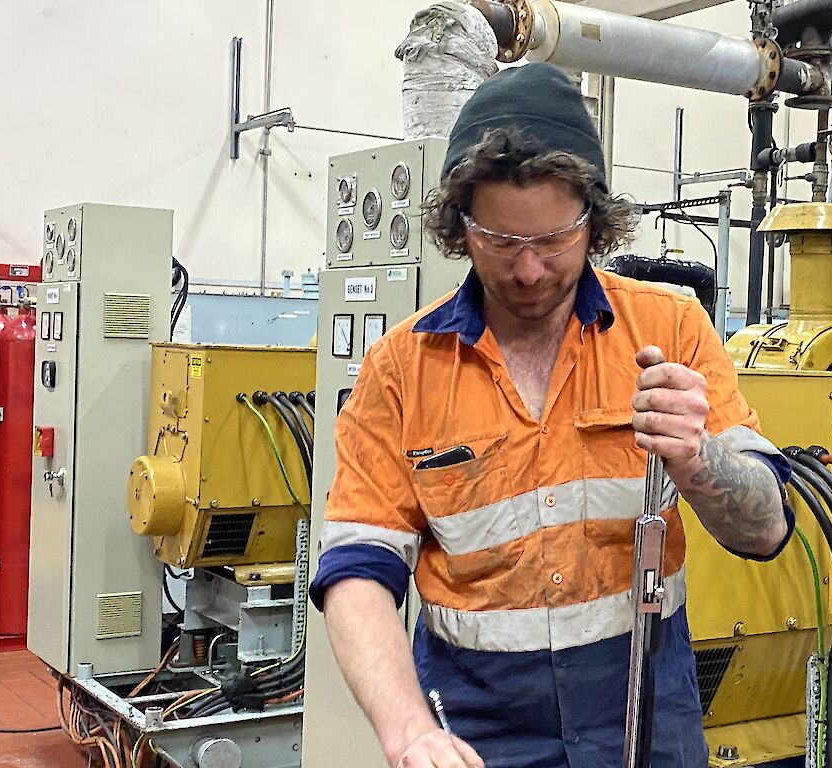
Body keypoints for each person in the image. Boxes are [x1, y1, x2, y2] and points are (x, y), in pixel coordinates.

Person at [311, 63, 794, 768]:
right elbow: (358, 566)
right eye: (503, 244)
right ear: (460, 228)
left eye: (554, 241)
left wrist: (697, 457)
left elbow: (766, 529)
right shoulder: (401, 369)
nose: (531, 271)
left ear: (594, 222)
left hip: (641, 712)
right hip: (478, 722)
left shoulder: (672, 330)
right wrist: (409, 730)